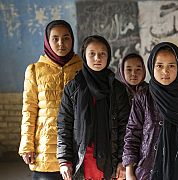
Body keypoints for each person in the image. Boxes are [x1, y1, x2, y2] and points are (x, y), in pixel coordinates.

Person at [122, 42, 178, 180]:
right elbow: (132, 134)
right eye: (160, 66)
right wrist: (129, 172)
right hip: (147, 171)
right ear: (151, 66)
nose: (165, 71)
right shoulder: (143, 97)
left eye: (171, 66)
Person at [57, 35, 130, 180]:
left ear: (108, 56)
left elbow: (126, 127)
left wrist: (123, 160)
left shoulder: (117, 89)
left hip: (111, 159)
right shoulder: (73, 88)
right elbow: (64, 125)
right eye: (92, 54)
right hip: (83, 160)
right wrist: (64, 160)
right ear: (84, 55)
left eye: (102, 53)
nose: (97, 58)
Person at [18, 20, 82, 180]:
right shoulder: (35, 70)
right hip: (45, 147)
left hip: (77, 143)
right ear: (47, 40)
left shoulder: (82, 67)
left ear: (72, 39)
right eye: (55, 38)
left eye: (66, 38)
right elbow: (29, 110)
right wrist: (27, 145)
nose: (61, 43)